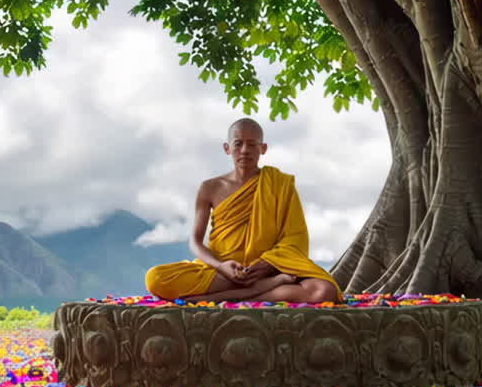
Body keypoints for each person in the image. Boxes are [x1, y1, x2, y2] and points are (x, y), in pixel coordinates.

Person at [145, 118, 342, 303]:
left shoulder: (280, 184)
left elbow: (295, 238)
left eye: (252, 144)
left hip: (268, 268)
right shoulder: (210, 188)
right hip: (221, 272)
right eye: (238, 143)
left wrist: (267, 265)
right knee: (155, 278)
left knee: (324, 290)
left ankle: (242, 295)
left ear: (262, 148)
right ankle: (262, 289)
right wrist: (221, 266)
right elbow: (196, 242)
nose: (245, 150)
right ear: (227, 148)